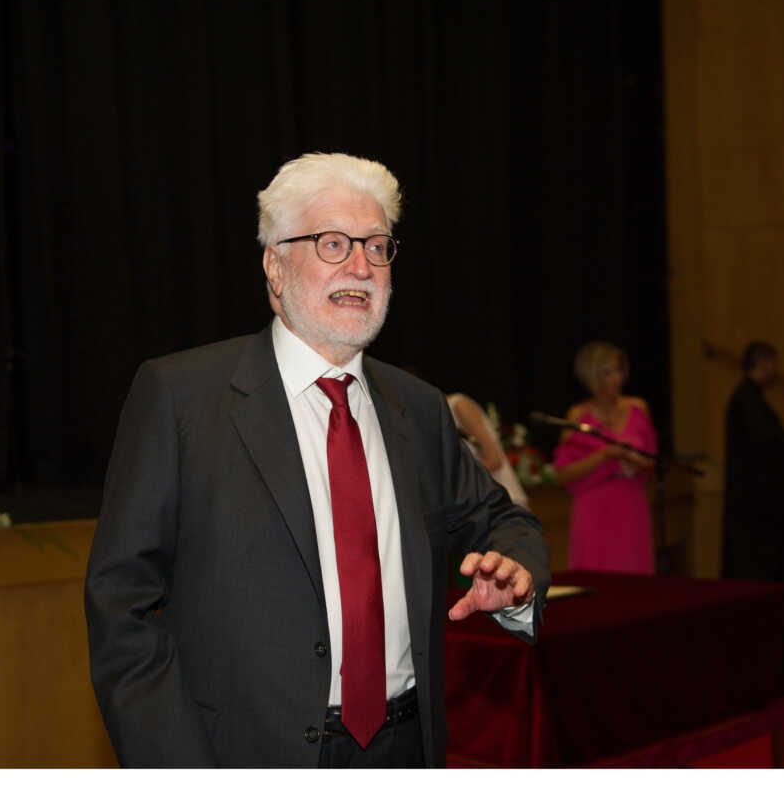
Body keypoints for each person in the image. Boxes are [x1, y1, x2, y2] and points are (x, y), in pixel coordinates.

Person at [84, 153, 551, 768]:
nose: (361, 266)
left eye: (377, 247)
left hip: (406, 751)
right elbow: (121, 606)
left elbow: (502, 520)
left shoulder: (418, 408)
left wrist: (514, 575)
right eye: (333, 243)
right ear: (275, 266)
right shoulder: (182, 397)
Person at [552, 341, 657, 573]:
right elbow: (563, 474)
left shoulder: (638, 408)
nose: (616, 378)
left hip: (631, 505)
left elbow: (652, 461)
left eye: (619, 370)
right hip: (593, 509)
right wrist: (604, 455)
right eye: (607, 372)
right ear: (591, 377)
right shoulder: (577, 416)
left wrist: (633, 461)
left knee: (634, 576)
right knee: (596, 576)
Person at [721, 341, 784, 581]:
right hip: (755, 499)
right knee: (755, 562)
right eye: (774, 363)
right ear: (763, 363)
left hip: (755, 496)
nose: (776, 370)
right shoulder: (747, 400)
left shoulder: (750, 398)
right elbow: (766, 446)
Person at [446, 393, 530, 508]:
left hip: (500, 498)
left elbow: (494, 460)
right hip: (473, 502)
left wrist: (452, 480)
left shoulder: (457, 404)